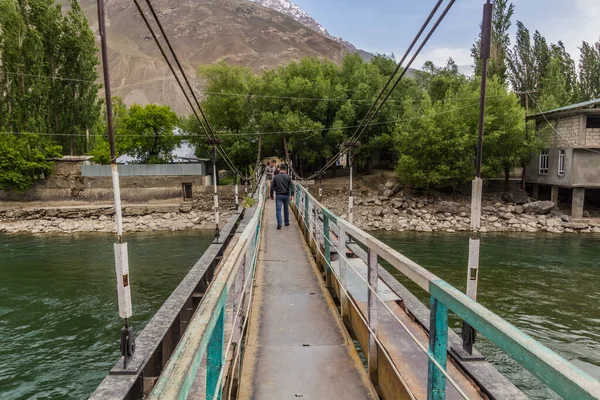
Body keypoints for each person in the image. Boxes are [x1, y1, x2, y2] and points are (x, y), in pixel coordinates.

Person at [270, 164, 293, 229]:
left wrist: (271, 195)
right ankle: (286, 222)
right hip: (286, 195)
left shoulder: (275, 177)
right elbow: (292, 186)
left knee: (278, 210)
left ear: (279, 169)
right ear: (285, 170)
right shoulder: (288, 177)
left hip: (278, 195)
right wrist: (292, 195)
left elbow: (272, 187)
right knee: (286, 209)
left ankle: (279, 224)